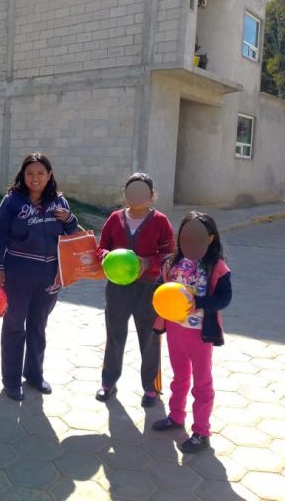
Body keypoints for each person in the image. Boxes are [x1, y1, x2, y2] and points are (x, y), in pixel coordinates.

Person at [0, 153, 78, 401]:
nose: (35, 178)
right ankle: (11, 380)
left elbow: (72, 233)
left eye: (41, 173)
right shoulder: (11, 201)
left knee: (38, 325)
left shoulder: (59, 202)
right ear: (23, 175)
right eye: (30, 173)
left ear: (49, 175)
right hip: (18, 272)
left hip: (49, 274)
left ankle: (34, 374)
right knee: (14, 324)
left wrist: (69, 219)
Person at [151, 211, 232, 454]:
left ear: (210, 238)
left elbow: (224, 298)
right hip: (175, 331)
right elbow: (160, 287)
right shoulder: (172, 262)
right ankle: (176, 416)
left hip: (200, 335)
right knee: (179, 378)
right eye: (186, 236)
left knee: (202, 383)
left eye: (198, 237)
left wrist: (198, 302)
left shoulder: (217, 266)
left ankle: (201, 432)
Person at [95, 172, 175, 406]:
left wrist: (148, 262)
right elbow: (101, 247)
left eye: (142, 191)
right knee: (114, 334)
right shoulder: (115, 218)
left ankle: (151, 388)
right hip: (117, 288)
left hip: (148, 288)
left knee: (149, 337)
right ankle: (108, 383)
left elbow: (169, 254)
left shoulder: (160, 221)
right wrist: (106, 256)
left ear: (151, 195)